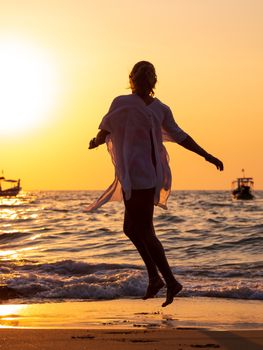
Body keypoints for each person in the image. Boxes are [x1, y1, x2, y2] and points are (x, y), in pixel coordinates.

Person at [88, 61, 223, 307]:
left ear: (132, 80)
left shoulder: (133, 104)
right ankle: (156, 278)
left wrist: (207, 155)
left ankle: (168, 280)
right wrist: (206, 155)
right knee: (132, 229)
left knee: (144, 230)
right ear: (152, 82)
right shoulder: (148, 107)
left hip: (141, 176)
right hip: (143, 175)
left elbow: (105, 129)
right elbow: (108, 128)